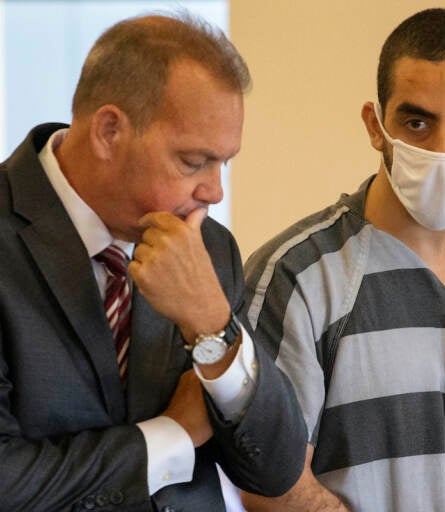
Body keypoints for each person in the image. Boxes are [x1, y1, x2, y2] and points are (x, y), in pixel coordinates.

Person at [241, 8, 445, 512]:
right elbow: (269, 485)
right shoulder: (301, 278)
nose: (443, 147)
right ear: (376, 126)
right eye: (417, 122)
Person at [0, 13, 306, 511]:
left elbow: (274, 470)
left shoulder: (209, 249)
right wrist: (171, 435)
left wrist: (213, 326)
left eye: (223, 162)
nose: (214, 191)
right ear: (108, 131)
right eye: (193, 161)